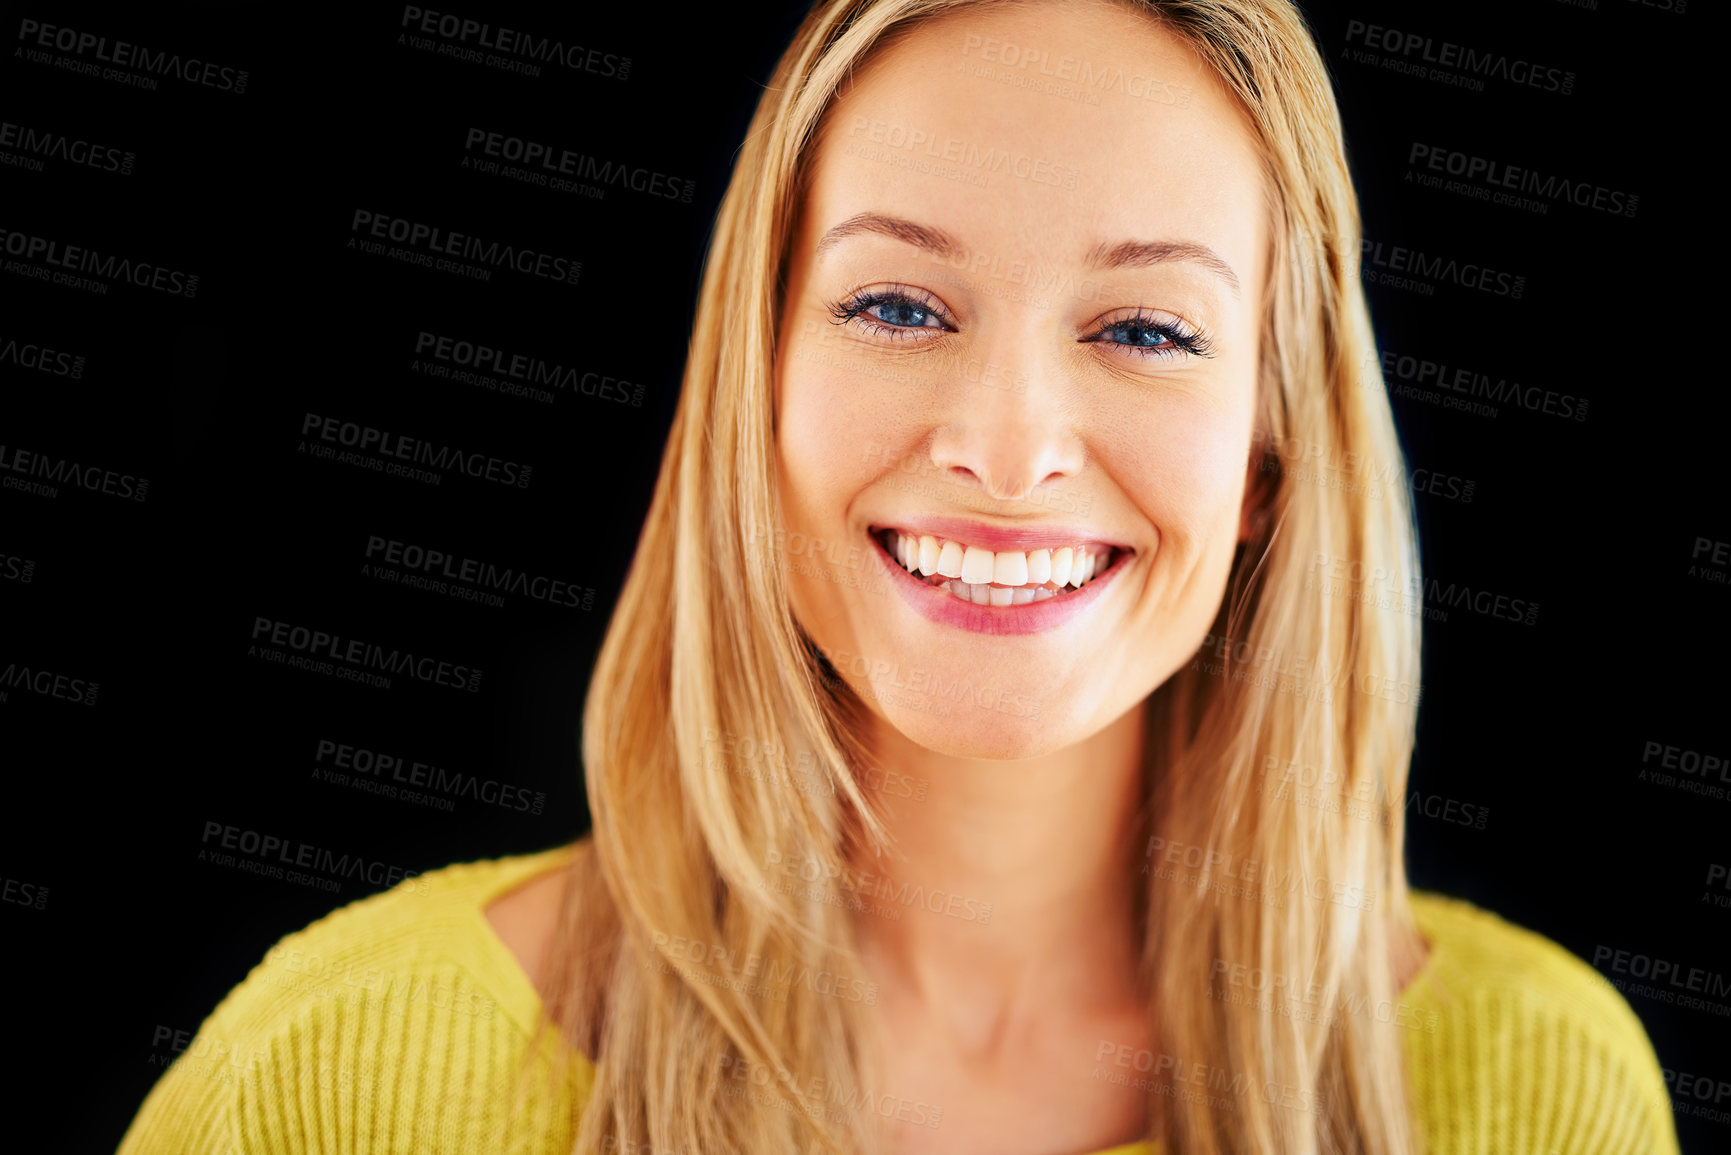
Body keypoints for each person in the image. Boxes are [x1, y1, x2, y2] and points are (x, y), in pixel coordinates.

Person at [118, 1, 1680, 1152]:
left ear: (1271, 456)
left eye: (1145, 330)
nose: (1006, 453)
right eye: (897, 307)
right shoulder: (338, 1077)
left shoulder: (1539, 1096)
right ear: (758, 385)